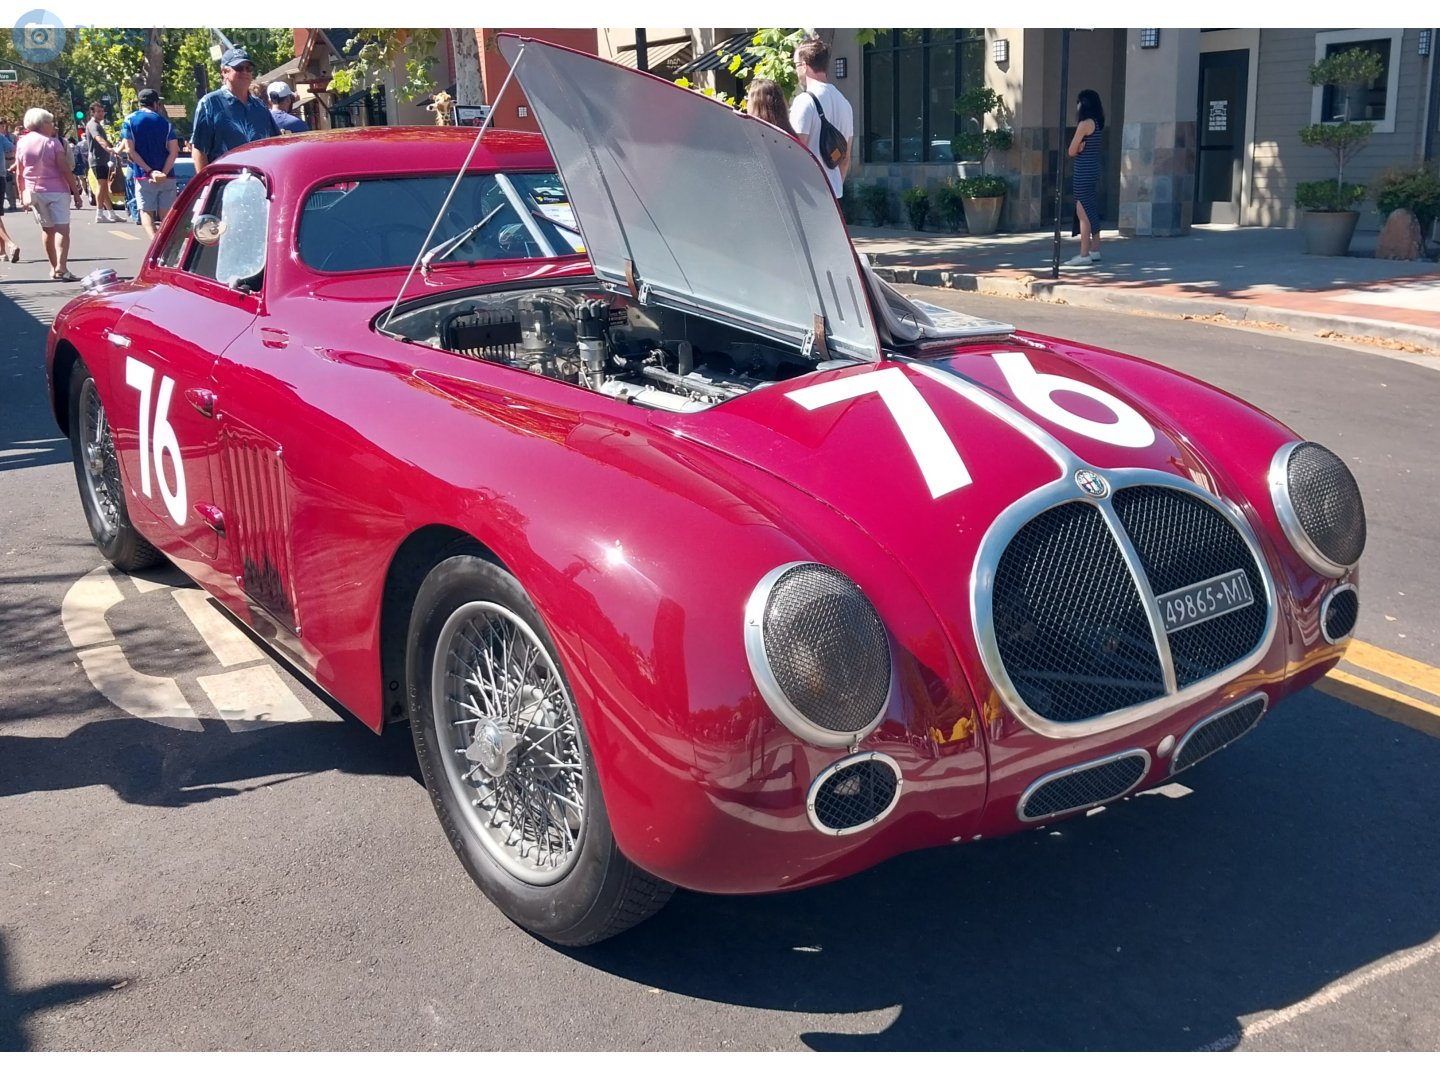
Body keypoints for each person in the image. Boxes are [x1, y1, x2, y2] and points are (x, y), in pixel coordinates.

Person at [14, 107, 85, 280]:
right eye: (50, 122)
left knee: (47, 230)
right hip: (57, 190)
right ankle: (62, 266)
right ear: (43, 124)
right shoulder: (53, 143)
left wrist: (21, 194)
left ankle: (53, 268)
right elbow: (65, 169)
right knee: (62, 229)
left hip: (34, 192)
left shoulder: (22, 143)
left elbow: (19, 172)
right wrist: (75, 192)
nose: (52, 126)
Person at [191, 47, 281, 172]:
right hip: (225, 186)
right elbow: (199, 150)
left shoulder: (260, 106)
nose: (245, 72)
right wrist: (205, 185)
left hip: (259, 184)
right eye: (238, 67)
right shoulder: (210, 104)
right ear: (224, 72)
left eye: (248, 68)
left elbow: (274, 145)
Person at [788, 36, 853, 199]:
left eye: (796, 65)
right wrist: (835, 187)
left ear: (804, 66)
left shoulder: (804, 101)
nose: (795, 71)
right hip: (833, 196)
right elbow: (845, 158)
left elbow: (795, 152)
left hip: (809, 196)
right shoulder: (845, 103)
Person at [121, 88, 180, 240]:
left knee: (146, 211)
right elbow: (173, 151)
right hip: (167, 176)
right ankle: (167, 243)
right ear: (156, 104)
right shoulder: (165, 123)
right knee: (166, 214)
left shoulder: (129, 121)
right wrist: (163, 173)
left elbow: (130, 150)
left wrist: (149, 171)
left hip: (143, 176)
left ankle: (155, 242)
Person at [1066, 88, 1105, 267]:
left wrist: (1078, 149)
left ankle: (1084, 253)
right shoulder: (1097, 123)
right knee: (1091, 209)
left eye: (1079, 102)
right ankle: (1095, 249)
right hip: (1093, 170)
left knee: (1082, 213)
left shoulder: (1084, 124)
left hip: (1082, 171)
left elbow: (1071, 150)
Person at [84, 101, 120, 224]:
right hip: (97, 160)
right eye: (98, 111)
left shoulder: (98, 124)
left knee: (104, 187)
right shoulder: (93, 125)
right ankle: (99, 214)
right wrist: (108, 148)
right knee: (101, 186)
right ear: (92, 113)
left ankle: (111, 214)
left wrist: (113, 147)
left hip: (102, 160)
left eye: (102, 111)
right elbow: (99, 139)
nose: (101, 114)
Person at [0, 120, 18, 211]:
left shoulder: (11, 136)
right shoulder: (1, 138)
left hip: (10, 162)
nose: (3, 128)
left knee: (12, 183)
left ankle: (13, 203)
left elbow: (15, 147)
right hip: (3, 166)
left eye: (4, 126)